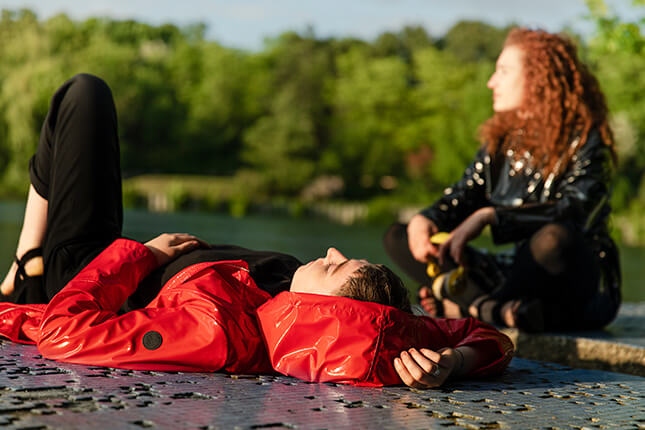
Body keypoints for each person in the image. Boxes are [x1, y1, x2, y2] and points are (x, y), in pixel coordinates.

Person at [0, 73, 513, 389]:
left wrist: (144, 256)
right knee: (85, 96)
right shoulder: (366, 322)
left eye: (335, 266)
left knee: (82, 96)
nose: (331, 250)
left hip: (89, 275)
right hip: (123, 260)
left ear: (324, 311)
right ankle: (27, 259)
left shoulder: (218, 333)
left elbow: (64, 334)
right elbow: (487, 336)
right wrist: (454, 362)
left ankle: (29, 267)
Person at [384, 28, 621, 333]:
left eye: (504, 71)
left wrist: (491, 217)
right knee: (398, 235)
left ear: (538, 78)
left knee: (553, 240)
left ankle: (467, 304)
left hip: (573, 278)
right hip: (512, 279)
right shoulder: (502, 142)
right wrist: (426, 219)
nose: (491, 82)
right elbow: (463, 195)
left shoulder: (588, 141)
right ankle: (494, 309)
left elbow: (574, 211)